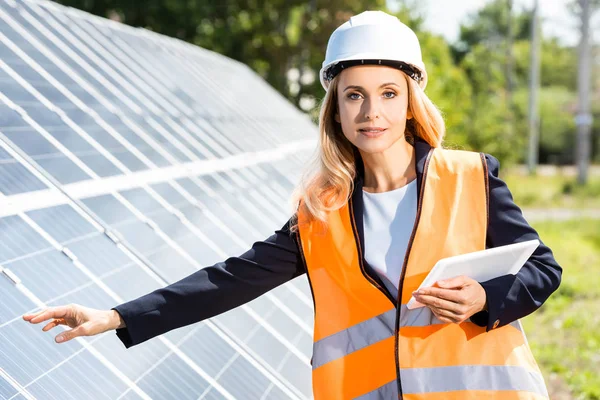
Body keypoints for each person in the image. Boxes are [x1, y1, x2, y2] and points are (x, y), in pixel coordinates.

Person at [23, 10, 561, 400]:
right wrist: (115, 316)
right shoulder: (320, 213)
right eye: (355, 95)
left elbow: (543, 268)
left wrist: (484, 298)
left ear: (410, 101)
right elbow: (227, 281)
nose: (371, 111)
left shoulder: (469, 175)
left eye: (388, 93)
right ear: (336, 109)